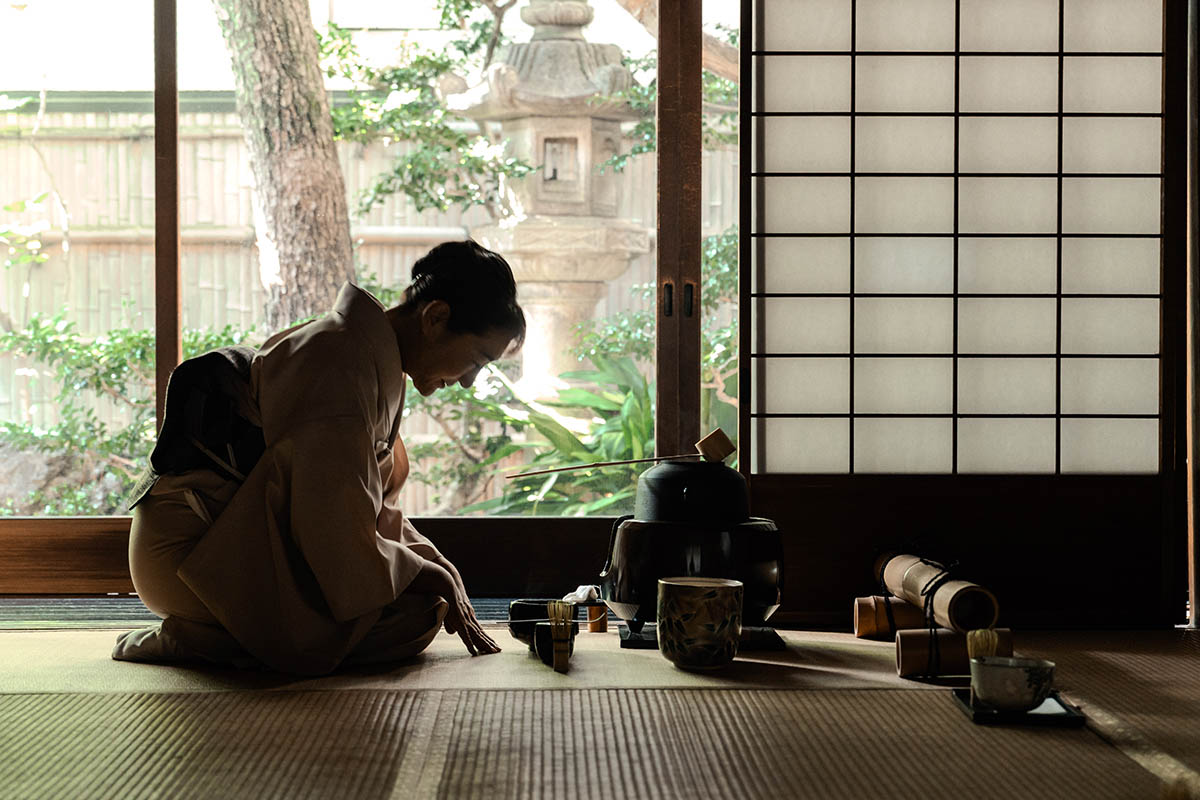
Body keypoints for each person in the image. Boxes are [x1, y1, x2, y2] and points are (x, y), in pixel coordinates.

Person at [113, 240, 523, 675]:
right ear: (436, 317)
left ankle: (232, 636)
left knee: (421, 604)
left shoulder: (364, 355)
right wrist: (427, 574)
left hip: (235, 537)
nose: (468, 383)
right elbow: (332, 526)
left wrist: (435, 565)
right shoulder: (338, 362)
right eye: (477, 360)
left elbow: (361, 509)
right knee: (409, 620)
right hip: (191, 553)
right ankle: (206, 638)